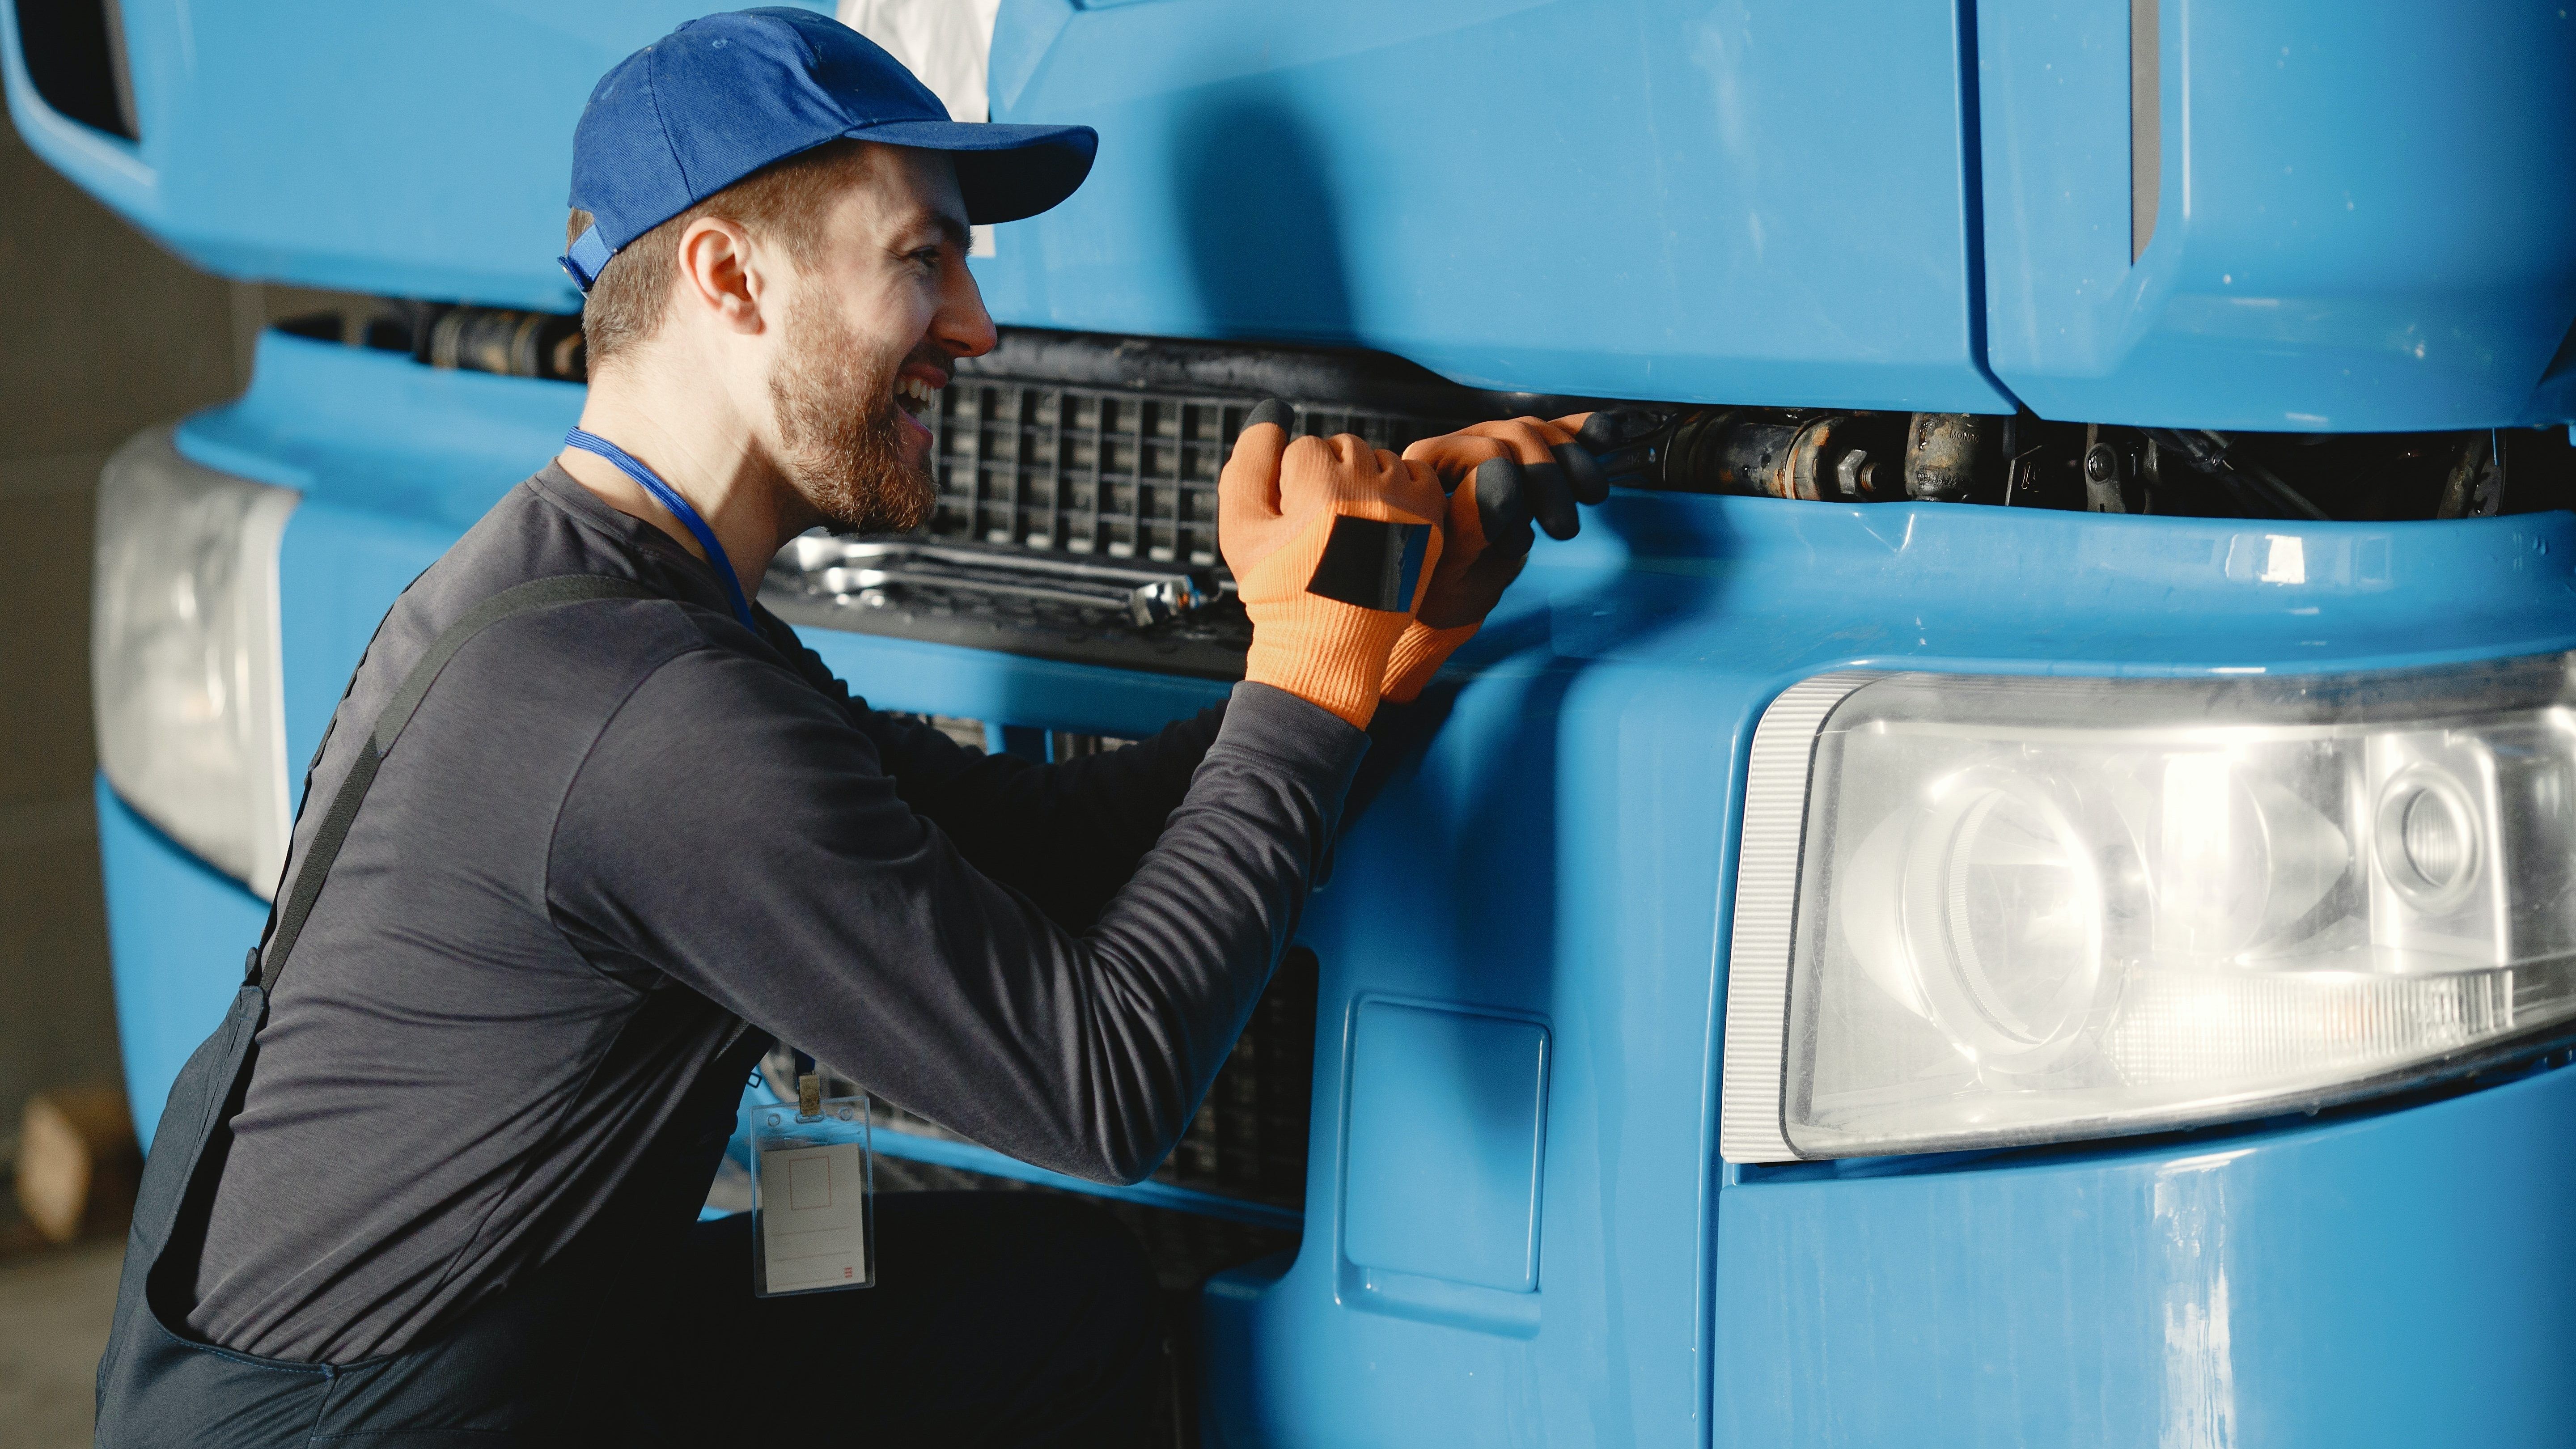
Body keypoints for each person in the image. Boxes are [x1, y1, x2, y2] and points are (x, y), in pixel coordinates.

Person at [92, 9, 1602, 1445]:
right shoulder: (647, 713)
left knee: (1042, 1303)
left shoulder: (603, 595)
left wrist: (1385, 655)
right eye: (922, 258)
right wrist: (1305, 661)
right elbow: (1101, 1092)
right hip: (384, 1425)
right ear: (731, 277)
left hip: (439, 1360)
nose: (979, 324)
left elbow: (1046, 850)